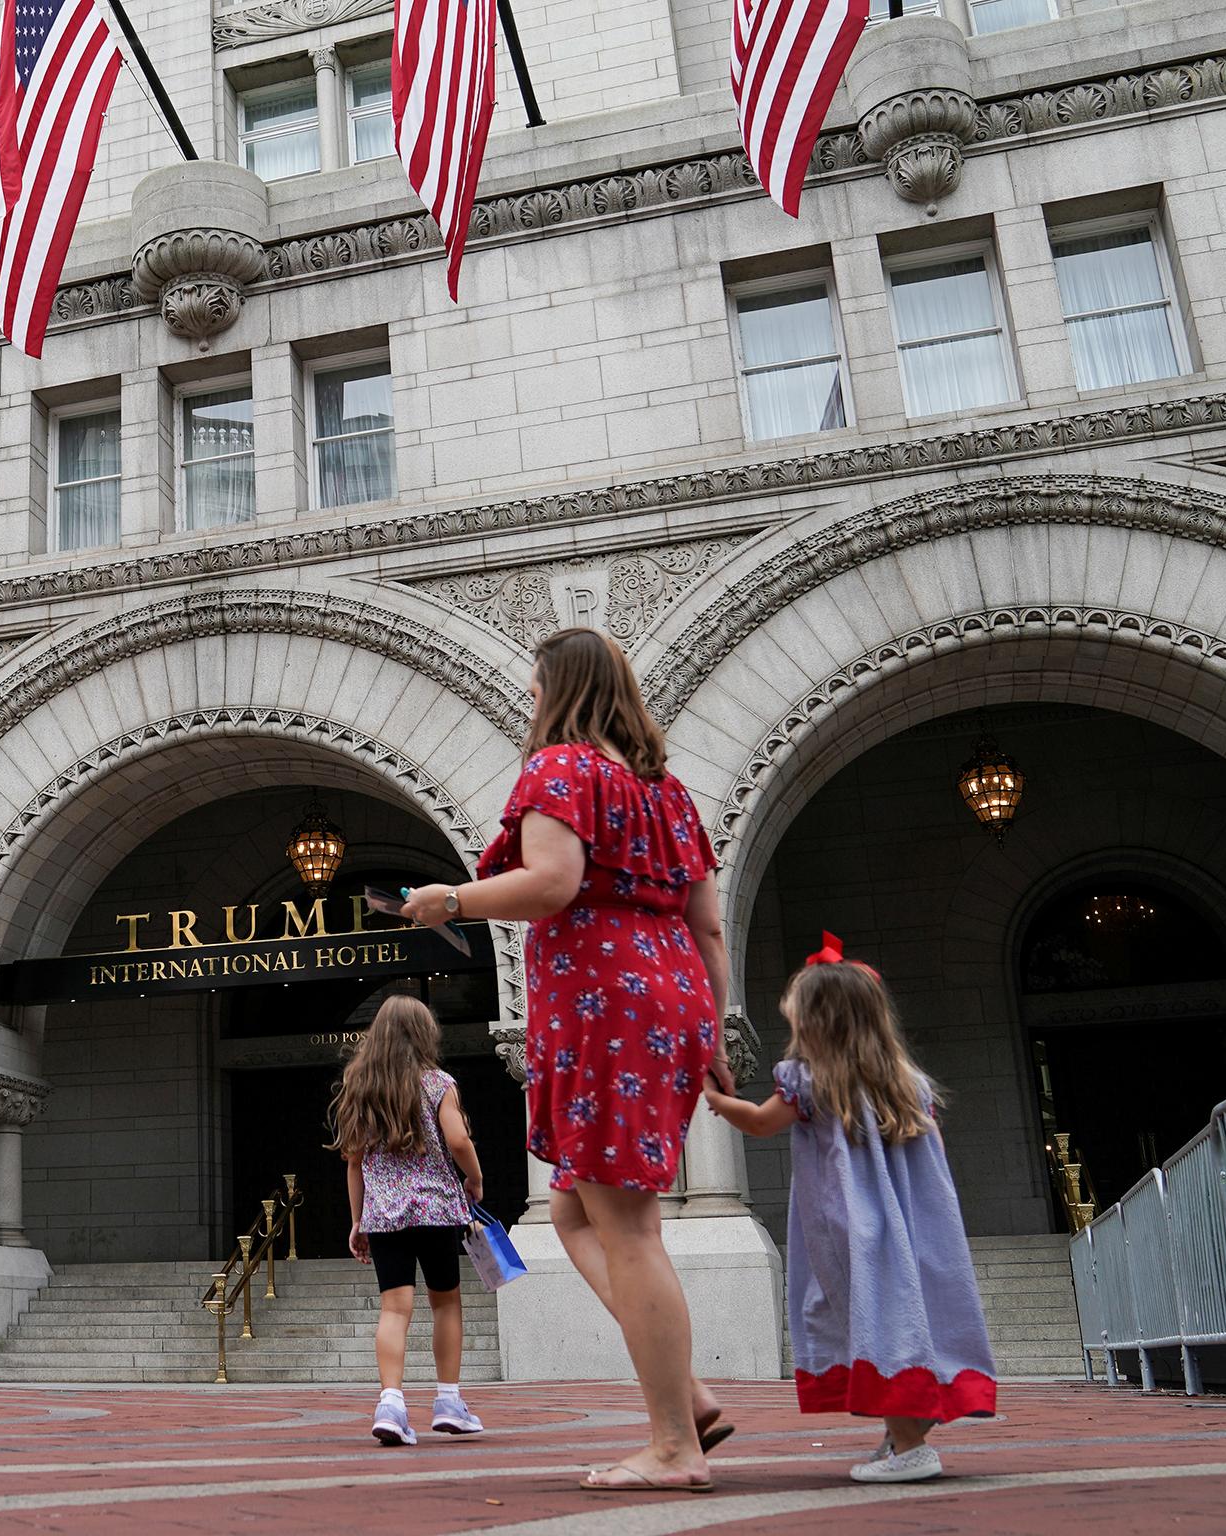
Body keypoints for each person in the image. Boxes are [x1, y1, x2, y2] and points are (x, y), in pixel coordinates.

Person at [402, 626, 733, 1494]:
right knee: (578, 1214)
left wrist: (450, 901)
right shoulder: (670, 794)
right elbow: (708, 926)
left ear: (556, 689)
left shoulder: (560, 769)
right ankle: (686, 1394)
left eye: (535, 685)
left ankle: (674, 1446)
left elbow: (551, 881)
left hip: (604, 1000)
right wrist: (714, 1030)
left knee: (626, 1227)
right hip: (672, 996)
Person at [704, 934, 997, 1484]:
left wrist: (719, 1099)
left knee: (873, 1322)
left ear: (820, 1025)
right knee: (911, 1317)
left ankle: (911, 1447)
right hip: (916, 1229)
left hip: (850, 1228)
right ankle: (905, 1433)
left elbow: (761, 1123)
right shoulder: (908, 1083)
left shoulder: (811, 1081)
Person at [330, 994, 487, 1446]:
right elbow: (457, 1139)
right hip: (437, 1211)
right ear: (424, 1035)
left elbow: (353, 1162)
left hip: (384, 1216)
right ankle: (449, 1401)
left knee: (394, 1309)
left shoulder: (360, 1087)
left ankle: (391, 1404)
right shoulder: (439, 1083)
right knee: (446, 1303)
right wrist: (474, 1179)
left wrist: (357, 1221)